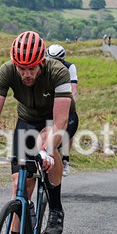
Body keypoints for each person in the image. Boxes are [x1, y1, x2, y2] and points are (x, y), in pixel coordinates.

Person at [0, 31, 73, 234]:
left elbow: (60, 123)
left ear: (42, 63)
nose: (26, 74)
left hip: (56, 119)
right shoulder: (7, 70)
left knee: (45, 144)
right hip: (28, 120)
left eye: (31, 68)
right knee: (20, 185)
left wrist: (46, 150)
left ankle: (55, 209)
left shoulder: (58, 72)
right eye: (21, 68)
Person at [47, 44, 78, 176]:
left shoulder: (70, 67)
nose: (54, 64)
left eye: (58, 61)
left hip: (64, 101)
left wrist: (69, 107)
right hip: (48, 101)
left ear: (63, 60)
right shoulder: (44, 67)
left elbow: (73, 90)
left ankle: (66, 159)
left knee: (67, 126)